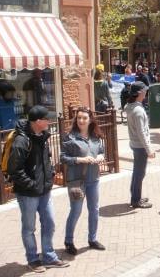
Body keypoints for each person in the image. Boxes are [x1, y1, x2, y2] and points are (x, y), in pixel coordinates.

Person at [7, 105, 69, 273]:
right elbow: (14, 170)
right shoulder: (22, 141)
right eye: (46, 119)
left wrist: (50, 175)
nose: (49, 121)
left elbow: (45, 161)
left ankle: (49, 256)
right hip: (28, 193)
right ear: (38, 121)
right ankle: (33, 259)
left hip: (44, 190)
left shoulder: (42, 136)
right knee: (29, 228)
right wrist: (32, 185)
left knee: (49, 223)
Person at [61, 107, 106, 255]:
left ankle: (92, 239)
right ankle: (68, 241)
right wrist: (79, 159)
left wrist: (100, 157)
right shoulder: (70, 137)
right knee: (76, 211)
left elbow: (101, 151)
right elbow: (63, 158)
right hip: (76, 181)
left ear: (90, 119)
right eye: (79, 118)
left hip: (93, 179)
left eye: (84, 118)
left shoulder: (95, 137)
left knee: (94, 210)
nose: (81, 120)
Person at [124, 81, 156, 208]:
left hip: (135, 144)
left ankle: (135, 196)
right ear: (139, 93)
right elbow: (142, 132)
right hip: (140, 146)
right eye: (144, 90)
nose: (146, 92)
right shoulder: (138, 110)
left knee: (137, 172)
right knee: (139, 173)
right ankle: (136, 200)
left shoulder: (131, 106)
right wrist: (149, 150)